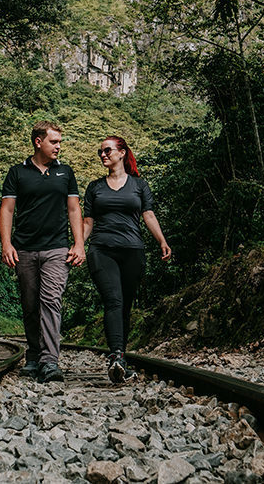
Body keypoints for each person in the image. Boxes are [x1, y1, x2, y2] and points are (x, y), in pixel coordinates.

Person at [0, 121, 85, 383]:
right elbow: (7, 210)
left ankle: (50, 361)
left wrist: (79, 243)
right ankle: (34, 355)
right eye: (54, 142)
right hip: (24, 248)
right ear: (38, 142)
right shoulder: (17, 173)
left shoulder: (66, 173)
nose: (59, 146)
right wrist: (6, 244)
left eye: (60, 142)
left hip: (57, 249)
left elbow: (74, 210)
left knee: (50, 301)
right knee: (30, 303)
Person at [83, 135, 171, 383]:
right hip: (101, 250)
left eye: (108, 150)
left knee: (125, 304)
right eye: (100, 151)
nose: (103, 155)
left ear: (122, 153)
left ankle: (120, 357)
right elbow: (87, 222)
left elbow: (149, 215)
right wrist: (78, 245)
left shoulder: (139, 186)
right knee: (113, 299)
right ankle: (116, 358)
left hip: (133, 250)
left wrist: (162, 241)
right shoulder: (95, 187)